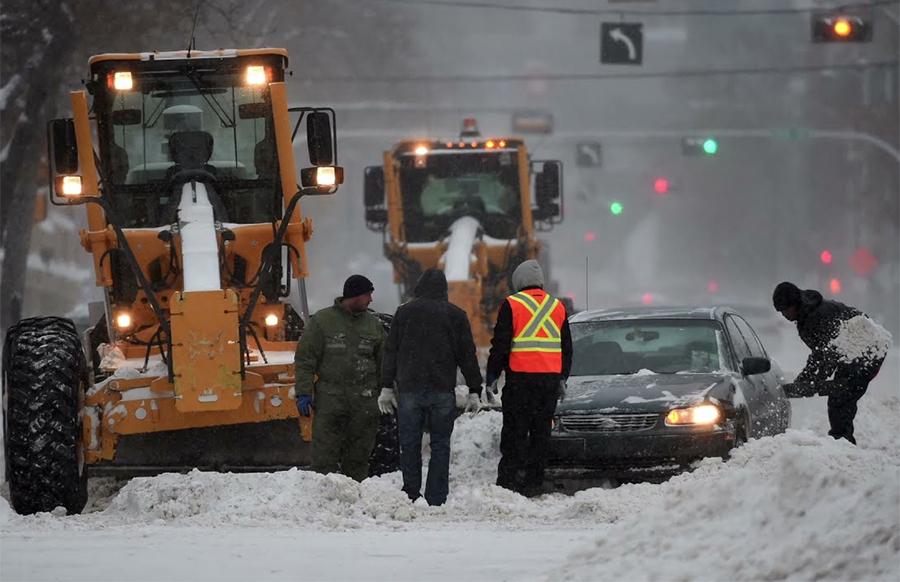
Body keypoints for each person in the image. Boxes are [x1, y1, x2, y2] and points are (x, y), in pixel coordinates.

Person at [378, 268, 482, 505]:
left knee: (410, 444)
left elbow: (391, 351)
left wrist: (386, 385)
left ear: (419, 287)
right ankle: (436, 497)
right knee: (441, 445)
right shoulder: (456, 315)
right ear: (444, 289)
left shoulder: (404, 314)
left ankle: (411, 494)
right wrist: (475, 388)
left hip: (410, 390)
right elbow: (467, 355)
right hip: (441, 389)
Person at [485, 259, 572, 497]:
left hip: (520, 382)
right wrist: (563, 377)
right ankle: (534, 483)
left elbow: (500, 345)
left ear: (518, 281)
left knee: (514, 432)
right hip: (549, 383)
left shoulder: (512, 304)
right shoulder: (558, 307)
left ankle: (508, 483)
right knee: (540, 434)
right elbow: (566, 347)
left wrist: (492, 375)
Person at [294, 274, 385, 480]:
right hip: (330, 404)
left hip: (364, 405)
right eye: (367, 295)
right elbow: (305, 360)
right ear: (354, 296)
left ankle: (354, 501)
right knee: (323, 458)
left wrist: (385, 390)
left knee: (358, 459)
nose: (370, 300)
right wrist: (303, 392)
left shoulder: (373, 325)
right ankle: (323, 502)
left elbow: (384, 363)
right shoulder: (322, 322)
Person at [772, 281, 886, 444]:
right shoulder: (806, 314)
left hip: (869, 351)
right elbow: (819, 353)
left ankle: (842, 443)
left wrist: (813, 382)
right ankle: (841, 441)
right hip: (852, 352)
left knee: (842, 396)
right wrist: (804, 380)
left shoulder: (817, 316)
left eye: (785, 310)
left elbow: (829, 354)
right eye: (780, 311)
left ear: (794, 303)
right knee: (839, 394)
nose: (783, 314)